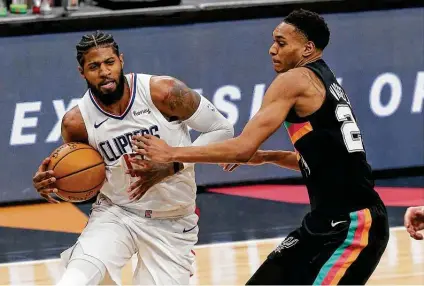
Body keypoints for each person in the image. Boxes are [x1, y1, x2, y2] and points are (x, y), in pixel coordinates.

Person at [132, 9, 390, 285]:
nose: (272, 50)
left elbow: (242, 147)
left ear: (307, 48)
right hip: (323, 222)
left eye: (281, 43)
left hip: (353, 226)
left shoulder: (294, 80)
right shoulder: (323, 78)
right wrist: (268, 156)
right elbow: (327, 157)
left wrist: (172, 153)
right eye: (273, 42)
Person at [31, 31, 234, 285]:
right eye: (94, 66)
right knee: (75, 281)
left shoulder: (164, 92)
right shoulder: (76, 122)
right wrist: (53, 183)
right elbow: (82, 176)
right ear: (82, 72)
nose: (104, 71)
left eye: (109, 62)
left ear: (121, 61)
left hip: (171, 220)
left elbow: (222, 129)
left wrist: (172, 164)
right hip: (117, 213)